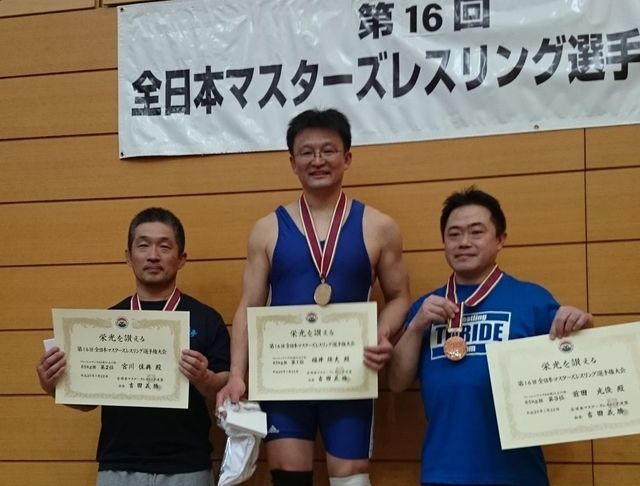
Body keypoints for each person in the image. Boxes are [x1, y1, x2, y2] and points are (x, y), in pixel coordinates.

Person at [216, 108, 411, 486]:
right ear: (293, 162)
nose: (318, 160)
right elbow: (248, 307)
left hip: (349, 372)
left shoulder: (379, 226)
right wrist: (237, 375)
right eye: (307, 152)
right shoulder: (266, 229)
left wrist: (381, 333)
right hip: (284, 375)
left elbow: (400, 297)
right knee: (289, 477)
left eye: (328, 150)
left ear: (347, 157)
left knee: (351, 478)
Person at [388, 187, 593, 486]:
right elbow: (396, 382)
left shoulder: (532, 300)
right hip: (443, 472)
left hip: (516, 475)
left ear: (500, 239)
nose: (464, 242)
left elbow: (576, 369)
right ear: (444, 242)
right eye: (454, 234)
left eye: (476, 232)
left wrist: (579, 324)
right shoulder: (426, 307)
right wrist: (416, 326)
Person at [36, 207, 231, 486]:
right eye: (143, 245)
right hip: (118, 465)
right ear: (128, 256)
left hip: (187, 466)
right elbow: (87, 401)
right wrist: (54, 387)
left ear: (181, 259)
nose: (153, 255)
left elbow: (227, 387)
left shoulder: (206, 318)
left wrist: (204, 378)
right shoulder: (105, 324)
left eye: (164, 246)